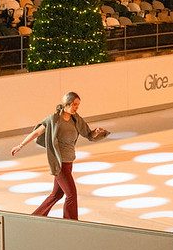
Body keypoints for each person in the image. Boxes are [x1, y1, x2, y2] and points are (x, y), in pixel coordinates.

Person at [11, 92, 108, 220]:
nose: (76, 108)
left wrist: (97, 132)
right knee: (71, 194)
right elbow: (36, 133)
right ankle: (70, 221)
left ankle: (35, 217)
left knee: (56, 194)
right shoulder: (54, 120)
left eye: (78, 105)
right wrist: (21, 145)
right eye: (74, 105)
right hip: (59, 163)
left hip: (69, 162)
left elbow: (88, 134)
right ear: (67, 104)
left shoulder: (76, 119)